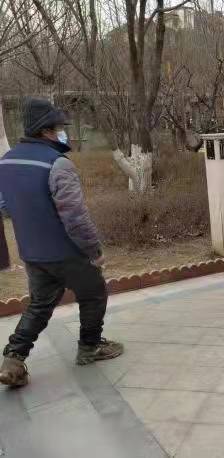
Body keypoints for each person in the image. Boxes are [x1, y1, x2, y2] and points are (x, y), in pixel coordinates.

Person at [0, 98, 123, 388]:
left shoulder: (6, 162)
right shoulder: (57, 163)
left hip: (32, 252)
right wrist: (94, 250)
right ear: (45, 130)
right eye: (58, 128)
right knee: (93, 294)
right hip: (67, 252)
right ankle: (90, 346)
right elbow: (75, 217)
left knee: (40, 304)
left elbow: (5, 206)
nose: (61, 133)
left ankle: (13, 357)